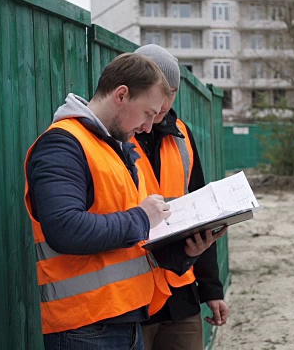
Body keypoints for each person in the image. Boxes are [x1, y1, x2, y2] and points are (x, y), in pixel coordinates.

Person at [23, 53, 226, 350]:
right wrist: (143, 218)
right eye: (147, 113)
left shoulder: (114, 149)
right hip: (86, 327)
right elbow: (65, 228)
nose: (148, 126)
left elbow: (131, 247)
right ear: (121, 95)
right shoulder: (62, 144)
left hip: (125, 319)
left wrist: (187, 253)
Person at [132, 45, 229, 350]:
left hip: (181, 290)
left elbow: (202, 208)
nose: (164, 102)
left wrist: (211, 288)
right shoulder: (118, 132)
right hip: (134, 295)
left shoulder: (182, 134)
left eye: (171, 93)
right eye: (159, 91)